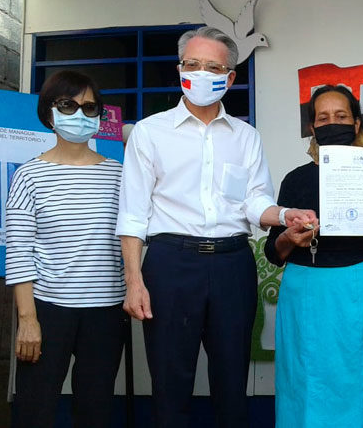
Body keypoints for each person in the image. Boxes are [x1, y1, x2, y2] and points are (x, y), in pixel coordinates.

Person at [116, 26, 316, 427]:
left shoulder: (245, 137)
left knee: (231, 380)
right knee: (170, 382)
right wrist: (134, 280)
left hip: (231, 264)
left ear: (230, 77)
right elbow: (133, 212)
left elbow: (254, 201)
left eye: (213, 67)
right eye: (193, 64)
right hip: (171, 264)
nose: (201, 74)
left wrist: (284, 214)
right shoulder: (149, 134)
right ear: (179, 69)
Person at [264, 85, 363, 427]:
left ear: (357, 124)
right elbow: (275, 252)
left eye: (341, 116)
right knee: (308, 384)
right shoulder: (296, 180)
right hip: (308, 296)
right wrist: (290, 236)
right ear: (313, 128)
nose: (333, 123)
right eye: (323, 117)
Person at [5, 70, 126, 428]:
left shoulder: (119, 174)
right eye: (67, 105)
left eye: (89, 108)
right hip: (47, 310)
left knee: (95, 410)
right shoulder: (29, 175)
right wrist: (28, 321)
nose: (79, 114)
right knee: (34, 409)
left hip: (105, 311)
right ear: (49, 112)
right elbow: (18, 251)